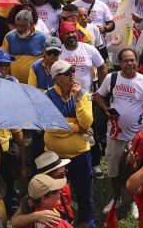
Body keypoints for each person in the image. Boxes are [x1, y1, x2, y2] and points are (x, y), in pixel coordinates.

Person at [94, 47, 143, 219]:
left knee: (135, 170)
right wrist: (106, 110)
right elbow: (98, 96)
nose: (130, 63)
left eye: (132, 60)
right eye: (126, 60)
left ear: (137, 61)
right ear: (120, 63)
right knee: (114, 169)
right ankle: (117, 197)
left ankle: (135, 201)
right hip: (114, 135)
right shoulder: (111, 78)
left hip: (136, 136)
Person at [44, 59, 95, 228]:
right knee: (56, 194)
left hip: (80, 154)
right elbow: (51, 127)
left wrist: (78, 99)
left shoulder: (84, 94)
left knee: (84, 193)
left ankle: (87, 223)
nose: (72, 75)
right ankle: (62, 223)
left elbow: (87, 123)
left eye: (73, 71)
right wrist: (76, 127)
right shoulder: (47, 96)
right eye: (68, 73)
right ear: (57, 78)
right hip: (56, 157)